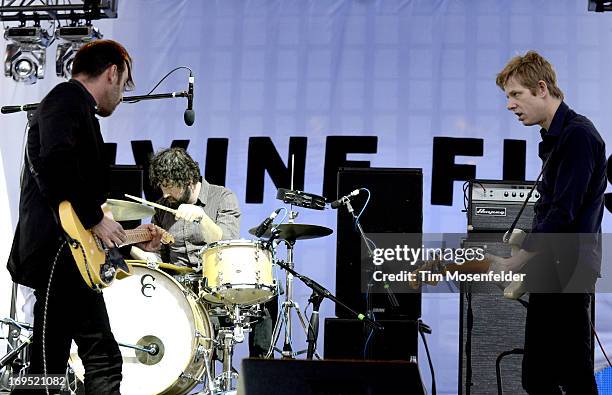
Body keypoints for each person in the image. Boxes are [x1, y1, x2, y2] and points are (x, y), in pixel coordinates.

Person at [7, 40, 162, 394]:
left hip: (67, 254)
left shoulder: (72, 105)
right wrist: (94, 217)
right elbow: (57, 163)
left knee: (58, 360)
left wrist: (132, 235)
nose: (121, 96)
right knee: (84, 360)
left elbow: (73, 193)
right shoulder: (66, 99)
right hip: (59, 254)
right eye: (123, 85)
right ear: (112, 72)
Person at [491, 51, 605, 394]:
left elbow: (563, 213)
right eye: (508, 97)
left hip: (568, 269)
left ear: (541, 88)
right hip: (553, 266)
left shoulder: (578, 136)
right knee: (540, 377)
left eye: (516, 94)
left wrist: (520, 258)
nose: (510, 105)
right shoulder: (557, 138)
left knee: (572, 375)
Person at [130, 147, 276, 358]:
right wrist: (141, 250)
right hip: (180, 287)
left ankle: (260, 369)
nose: (164, 194)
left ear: (188, 180)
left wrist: (202, 218)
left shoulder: (222, 197)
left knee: (266, 295)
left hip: (215, 282)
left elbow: (226, 241)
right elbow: (161, 258)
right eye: (162, 187)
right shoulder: (163, 207)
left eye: (170, 186)